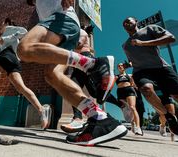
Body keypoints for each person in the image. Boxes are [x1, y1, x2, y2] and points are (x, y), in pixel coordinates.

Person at [21, 0, 127, 146]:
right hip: (61, 26)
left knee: (25, 48)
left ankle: (93, 64)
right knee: (52, 75)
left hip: (61, 18)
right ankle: (100, 118)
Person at [122, 16, 178, 135]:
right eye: (124, 23)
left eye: (128, 21)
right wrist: (128, 65)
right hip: (141, 71)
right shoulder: (125, 45)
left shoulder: (150, 29)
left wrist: (143, 43)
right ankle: (168, 116)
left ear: (136, 21)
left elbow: (171, 38)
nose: (126, 23)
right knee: (146, 89)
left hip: (161, 68)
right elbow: (132, 61)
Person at [60, 28, 123, 133]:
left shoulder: (79, 31)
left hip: (83, 59)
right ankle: (120, 104)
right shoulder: (80, 33)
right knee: (94, 93)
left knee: (72, 87)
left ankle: (77, 118)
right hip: (78, 62)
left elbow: (79, 45)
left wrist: (64, 45)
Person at [116, 63, 142, 135]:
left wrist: (136, 86)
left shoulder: (130, 75)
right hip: (120, 92)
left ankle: (138, 127)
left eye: (122, 65)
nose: (120, 66)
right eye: (119, 66)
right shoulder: (116, 76)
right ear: (117, 68)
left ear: (124, 67)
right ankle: (132, 122)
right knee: (126, 109)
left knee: (132, 107)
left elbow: (133, 84)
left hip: (129, 90)